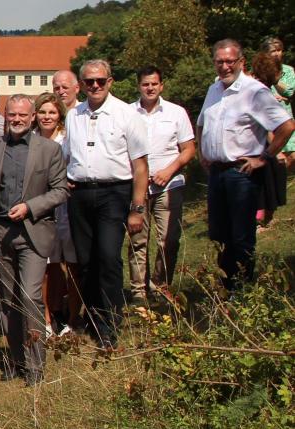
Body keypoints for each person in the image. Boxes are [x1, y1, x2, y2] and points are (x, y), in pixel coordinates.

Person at [0, 95, 69, 385]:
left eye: (22, 115)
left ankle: (36, 366)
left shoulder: (49, 149)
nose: (17, 120)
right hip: (1, 232)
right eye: (12, 115)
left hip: (33, 231)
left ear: (32, 118)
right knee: (7, 299)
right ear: (5, 115)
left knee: (29, 296)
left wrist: (31, 207)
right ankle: (16, 359)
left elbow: (61, 190)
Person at [63, 59, 150, 348]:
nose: (95, 86)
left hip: (114, 193)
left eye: (101, 81)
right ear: (82, 84)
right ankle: (94, 316)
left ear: (110, 82)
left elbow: (140, 166)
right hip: (80, 195)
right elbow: (66, 156)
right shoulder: (73, 115)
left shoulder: (126, 114)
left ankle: (111, 324)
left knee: (108, 258)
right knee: (85, 261)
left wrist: (137, 208)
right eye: (89, 82)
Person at [198, 39, 294, 291]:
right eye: (220, 61)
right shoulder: (213, 90)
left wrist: (263, 158)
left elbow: (286, 126)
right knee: (220, 235)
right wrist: (201, 152)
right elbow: (201, 123)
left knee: (241, 237)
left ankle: (241, 291)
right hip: (217, 173)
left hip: (242, 173)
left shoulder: (254, 92)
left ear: (241, 62)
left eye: (230, 61)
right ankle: (225, 287)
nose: (225, 66)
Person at [128, 66, 197, 303]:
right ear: (139, 86)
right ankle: (138, 291)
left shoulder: (176, 113)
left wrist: (167, 172)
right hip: (138, 187)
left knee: (168, 239)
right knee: (138, 240)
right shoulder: (127, 113)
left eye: (154, 84)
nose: (150, 88)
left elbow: (189, 150)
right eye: (145, 84)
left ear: (161, 86)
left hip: (169, 184)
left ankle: (160, 284)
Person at [33, 92, 81, 335]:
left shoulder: (67, 139)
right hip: (42, 211)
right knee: (46, 268)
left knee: (72, 265)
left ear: (59, 115)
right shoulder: (31, 140)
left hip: (68, 209)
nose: (47, 116)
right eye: (42, 112)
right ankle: (48, 319)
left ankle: (73, 320)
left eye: (51, 112)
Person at [249, 51, 289, 230]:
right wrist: (277, 150)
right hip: (257, 143)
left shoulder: (255, 87)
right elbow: (265, 124)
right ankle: (259, 221)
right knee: (263, 183)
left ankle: (267, 218)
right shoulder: (258, 90)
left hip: (262, 142)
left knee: (271, 179)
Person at [262, 37, 295, 169]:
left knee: (292, 156)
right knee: (277, 159)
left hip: (286, 118)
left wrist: (275, 80)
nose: (277, 54)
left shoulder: (288, 70)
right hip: (268, 122)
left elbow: (289, 91)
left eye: (279, 50)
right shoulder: (260, 71)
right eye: (273, 51)